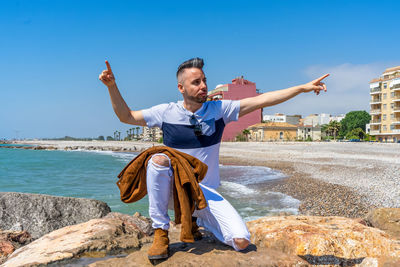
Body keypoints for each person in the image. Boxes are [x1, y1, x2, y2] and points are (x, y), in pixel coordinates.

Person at [99, 58, 328, 260]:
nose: (203, 86)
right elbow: (126, 116)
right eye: (196, 82)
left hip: (203, 194)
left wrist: (302, 87)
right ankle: (161, 232)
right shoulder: (166, 112)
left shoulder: (219, 109)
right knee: (158, 159)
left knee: (241, 241)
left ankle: (199, 221)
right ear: (181, 87)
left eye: (204, 80)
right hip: (173, 192)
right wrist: (112, 86)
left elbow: (264, 100)